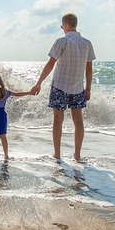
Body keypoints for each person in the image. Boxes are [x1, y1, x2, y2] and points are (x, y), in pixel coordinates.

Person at [30, 13, 96, 162]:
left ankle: (57, 154)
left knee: (58, 120)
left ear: (65, 25)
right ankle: (77, 155)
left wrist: (39, 82)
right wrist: (89, 88)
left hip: (59, 86)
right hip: (78, 88)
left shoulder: (61, 41)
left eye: (62, 26)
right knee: (78, 121)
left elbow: (50, 64)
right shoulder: (87, 43)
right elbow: (89, 69)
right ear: (75, 24)